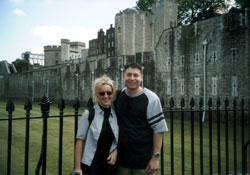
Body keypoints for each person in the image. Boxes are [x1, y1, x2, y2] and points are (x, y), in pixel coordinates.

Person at [115, 62, 168, 175]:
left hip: (143, 162)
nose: (132, 78)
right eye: (129, 75)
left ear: (141, 77)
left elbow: (159, 130)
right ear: (124, 76)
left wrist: (155, 158)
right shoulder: (119, 96)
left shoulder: (151, 98)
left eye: (136, 75)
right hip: (121, 161)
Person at [74, 75, 119, 175]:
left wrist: (116, 151)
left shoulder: (115, 114)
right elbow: (79, 141)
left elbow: (119, 138)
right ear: (97, 95)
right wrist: (77, 168)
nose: (106, 96)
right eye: (102, 93)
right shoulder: (89, 114)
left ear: (113, 94)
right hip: (92, 166)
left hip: (110, 167)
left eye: (109, 93)